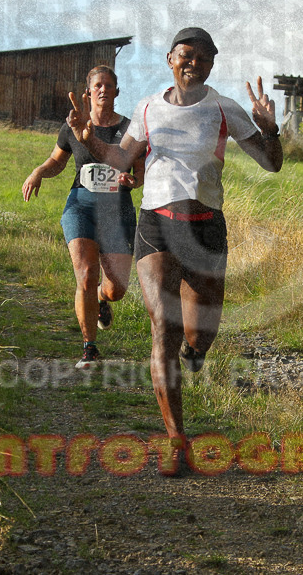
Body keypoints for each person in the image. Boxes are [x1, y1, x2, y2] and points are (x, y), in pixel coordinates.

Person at [66, 27, 283, 468]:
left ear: (211, 65)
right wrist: (88, 138)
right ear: (170, 59)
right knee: (161, 328)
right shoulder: (147, 108)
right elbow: (119, 161)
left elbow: (272, 163)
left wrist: (270, 129)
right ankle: (176, 441)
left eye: (203, 58)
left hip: (206, 229)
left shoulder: (224, 108)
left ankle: (195, 350)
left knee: (199, 335)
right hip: (156, 226)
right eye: (186, 55)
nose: (194, 63)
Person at [22, 66, 144, 369]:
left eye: (109, 85)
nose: (103, 90)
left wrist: (135, 181)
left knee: (116, 289)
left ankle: (103, 301)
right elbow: (56, 161)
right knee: (87, 275)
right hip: (81, 205)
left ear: (117, 91)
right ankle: (89, 347)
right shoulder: (73, 124)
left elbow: (140, 170)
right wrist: (38, 172)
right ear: (88, 92)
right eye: (97, 85)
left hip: (118, 211)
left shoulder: (130, 129)